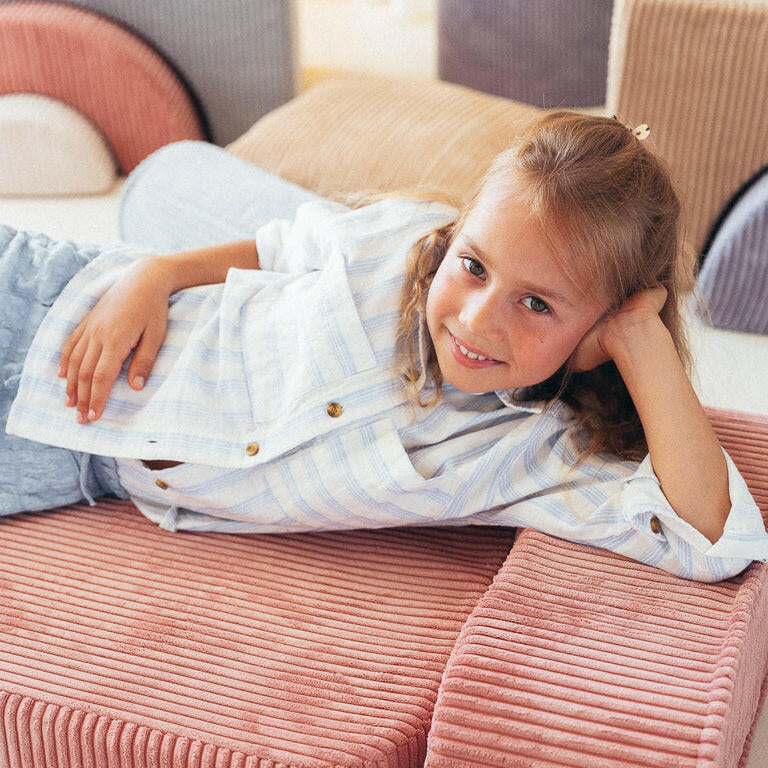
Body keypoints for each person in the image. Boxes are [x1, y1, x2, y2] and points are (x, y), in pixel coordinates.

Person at [3, 111, 767, 583]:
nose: (475, 318)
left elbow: (714, 538)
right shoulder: (397, 241)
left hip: (70, 463)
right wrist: (156, 272)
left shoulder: (539, 456)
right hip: (56, 302)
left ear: (599, 334)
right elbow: (276, 245)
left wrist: (640, 338)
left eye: (536, 303)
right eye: (473, 265)